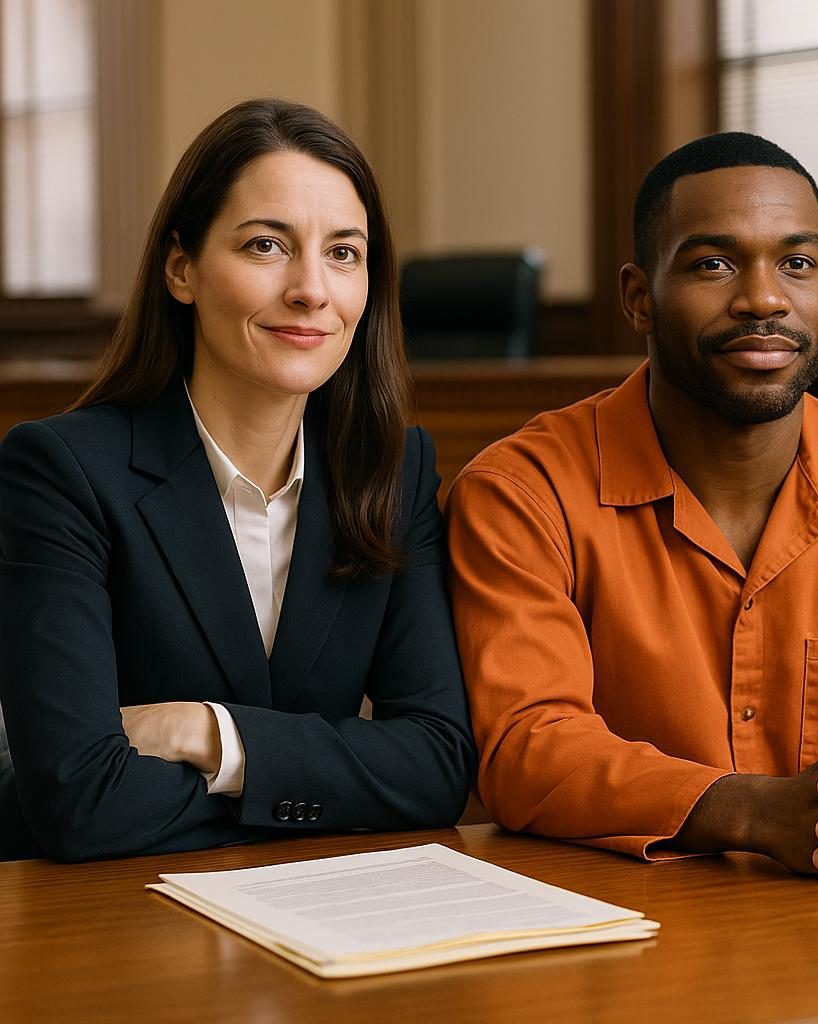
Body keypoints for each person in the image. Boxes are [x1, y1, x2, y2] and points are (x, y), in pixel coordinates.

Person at [446, 132, 818, 883]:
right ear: (637, 298)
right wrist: (756, 812)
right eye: (713, 264)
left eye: (797, 263)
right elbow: (528, 743)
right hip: (611, 919)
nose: (764, 299)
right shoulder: (522, 492)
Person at [0, 99, 475, 862]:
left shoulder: (393, 470)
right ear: (182, 269)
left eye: (344, 253)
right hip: (99, 922)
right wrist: (331, 786)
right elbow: (76, 799)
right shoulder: (62, 471)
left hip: (303, 917)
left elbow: (437, 767)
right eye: (266, 246)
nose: (312, 290)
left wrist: (205, 733)